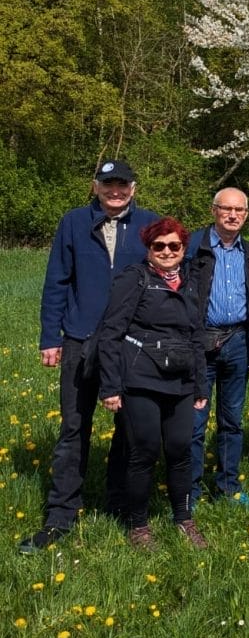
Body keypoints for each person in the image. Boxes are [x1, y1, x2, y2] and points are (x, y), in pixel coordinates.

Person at [19, 160, 158, 554]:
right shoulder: (74, 222)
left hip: (132, 341)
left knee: (130, 430)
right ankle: (61, 513)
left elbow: (166, 271)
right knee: (73, 427)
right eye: (108, 184)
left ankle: (120, 503)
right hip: (81, 338)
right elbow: (57, 280)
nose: (116, 190)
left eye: (123, 184)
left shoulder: (150, 223)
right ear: (96, 187)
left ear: (133, 187)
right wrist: (51, 337)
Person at [98, 217, 208, 549]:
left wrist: (201, 385)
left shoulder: (190, 281)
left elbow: (196, 335)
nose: (166, 251)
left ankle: (184, 519)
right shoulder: (134, 279)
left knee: (179, 450)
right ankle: (138, 526)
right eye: (159, 245)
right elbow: (111, 332)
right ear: (149, 248)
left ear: (183, 249)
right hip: (140, 379)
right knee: (143, 452)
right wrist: (110, 386)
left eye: (174, 245)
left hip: (182, 380)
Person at [187, 188, 249, 508]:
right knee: (194, 423)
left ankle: (228, 486)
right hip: (200, 344)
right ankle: (190, 491)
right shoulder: (193, 248)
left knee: (232, 420)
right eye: (226, 209)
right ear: (214, 211)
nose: (233, 215)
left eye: (239, 210)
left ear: (246, 215)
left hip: (238, 343)